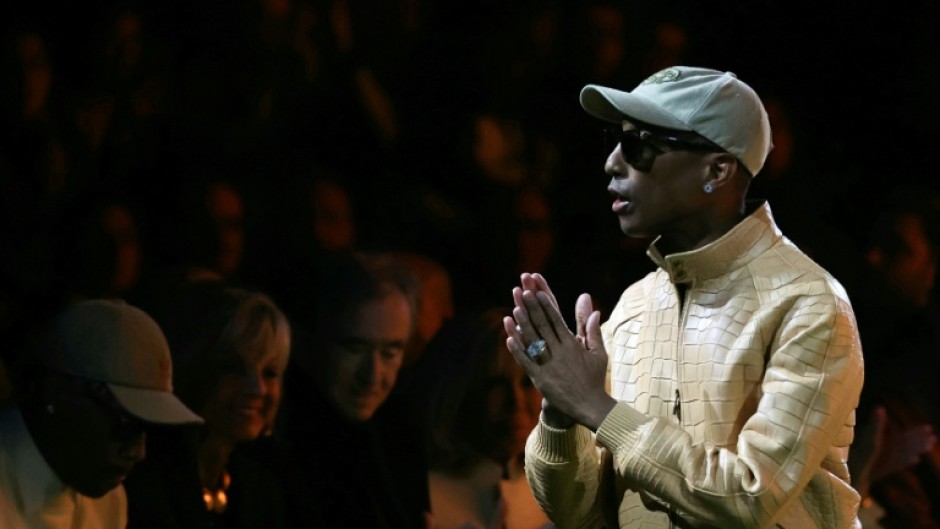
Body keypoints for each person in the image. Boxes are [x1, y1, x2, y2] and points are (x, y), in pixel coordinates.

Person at [504, 66, 865, 528]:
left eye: (639, 146)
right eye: (618, 142)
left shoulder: (809, 303)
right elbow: (578, 514)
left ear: (716, 169)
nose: (612, 162)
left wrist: (595, 407)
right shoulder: (632, 308)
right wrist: (561, 409)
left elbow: (750, 495)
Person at [0, 298, 203, 529]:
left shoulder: (108, 501)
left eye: (146, 427)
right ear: (56, 392)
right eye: (124, 421)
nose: (138, 451)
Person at [123, 281, 304, 528]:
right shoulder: (144, 482)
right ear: (192, 367)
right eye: (234, 369)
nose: (258, 389)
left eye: (270, 372)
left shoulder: (262, 487)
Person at [281, 249, 431, 528]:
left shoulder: (402, 441)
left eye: (390, 352)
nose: (372, 375)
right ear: (309, 342)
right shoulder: (279, 448)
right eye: (354, 348)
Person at [422, 308, 552, 529]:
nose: (516, 403)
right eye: (497, 385)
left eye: (528, 383)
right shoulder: (421, 491)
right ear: (462, 393)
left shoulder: (566, 483)